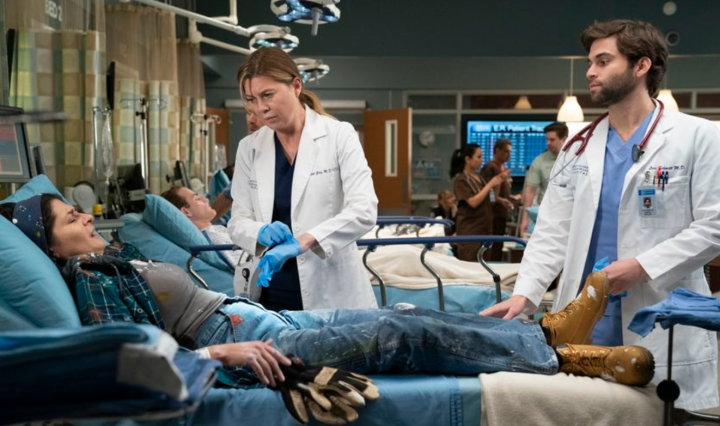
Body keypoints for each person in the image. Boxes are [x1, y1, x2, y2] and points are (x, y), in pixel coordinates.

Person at [1, 194, 657, 400]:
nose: (85, 216)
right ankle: (561, 356)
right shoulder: (91, 283)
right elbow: (136, 357)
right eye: (68, 218)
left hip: (262, 315)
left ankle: (547, 332)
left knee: (402, 313)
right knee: (399, 336)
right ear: (48, 246)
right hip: (247, 337)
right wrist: (223, 352)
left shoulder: (112, 260)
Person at [483, 20, 720, 410]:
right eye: (590, 62)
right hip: (586, 317)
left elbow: (714, 226)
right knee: (586, 414)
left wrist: (641, 267)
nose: (590, 72)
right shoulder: (577, 147)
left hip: (659, 314)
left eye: (603, 61)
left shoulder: (697, 137)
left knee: (661, 416)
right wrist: (526, 293)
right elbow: (552, 231)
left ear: (641, 66)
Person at [229, 47, 378, 312]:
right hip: (271, 290)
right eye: (252, 99)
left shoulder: (339, 135)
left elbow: (364, 210)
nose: (261, 108)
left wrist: (304, 241)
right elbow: (237, 222)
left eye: (268, 95)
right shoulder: (249, 148)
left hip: (331, 289)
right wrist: (259, 232)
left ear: (296, 86)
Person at [161, 186, 249, 270]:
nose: (206, 200)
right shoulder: (214, 238)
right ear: (186, 212)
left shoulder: (215, 233)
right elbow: (246, 270)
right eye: (197, 199)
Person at [450, 144, 508, 261]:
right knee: (470, 265)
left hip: (485, 230)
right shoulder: (461, 180)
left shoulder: (479, 178)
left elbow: (491, 199)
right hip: (470, 232)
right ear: (468, 159)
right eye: (478, 157)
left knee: (484, 264)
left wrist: (498, 183)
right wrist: (490, 184)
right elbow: (473, 202)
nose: (482, 160)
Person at [211, 110, 265, 222]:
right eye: (249, 113)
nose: (250, 120)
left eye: (257, 114)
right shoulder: (249, 151)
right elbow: (228, 196)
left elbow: (227, 198)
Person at [518, 122, 568, 236]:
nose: (548, 143)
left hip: (568, 215)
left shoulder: (576, 158)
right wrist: (525, 220)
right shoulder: (539, 161)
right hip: (546, 215)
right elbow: (530, 191)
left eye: (552, 140)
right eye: (547, 139)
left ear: (563, 139)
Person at [481, 139, 517, 261]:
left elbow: (500, 192)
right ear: (497, 151)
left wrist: (511, 197)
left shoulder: (503, 168)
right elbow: (488, 192)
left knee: (498, 247)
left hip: (501, 215)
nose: (509, 155)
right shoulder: (491, 168)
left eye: (510, 152)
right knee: (493, 249)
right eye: (506, 151)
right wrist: (500, 200)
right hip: (492, 216)